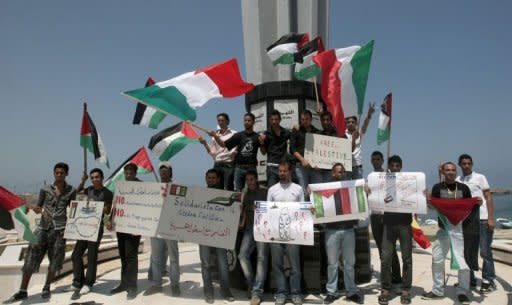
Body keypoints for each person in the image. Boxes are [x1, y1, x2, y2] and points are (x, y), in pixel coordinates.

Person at [5, 163, 76, 303]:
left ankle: (47, 287)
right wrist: (35, 208)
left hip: (60, 230)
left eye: (62, 173)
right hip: (43, 228)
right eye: (57, 172)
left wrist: (68, 229)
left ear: (66, 174)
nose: (59, 175)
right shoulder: (45, 188)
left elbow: (73, 211)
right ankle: (23, 290)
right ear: (54, 173)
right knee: (31, 257)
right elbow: (39, 205)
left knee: (55, 260)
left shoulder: (71, 191)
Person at [422, 162, 480, 305]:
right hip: (444, 230)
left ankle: (462, 291)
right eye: (447, 170)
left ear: (456, 172)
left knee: (462, 262)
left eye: (453, 170)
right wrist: (427, 198)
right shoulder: (437, 187)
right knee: (437, 259)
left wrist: (478, 203)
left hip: (461, 231)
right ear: (443, 172)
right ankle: (437, 290)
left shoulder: (463, 188)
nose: (450, 172)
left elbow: (469, 208)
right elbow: (432, 206)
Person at [64, 168, 113, 300]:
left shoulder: (108, 193)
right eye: (92, 178)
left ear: (102, 178)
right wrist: (82, 181)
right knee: (76, 255)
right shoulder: (88, 190)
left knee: (92, 256)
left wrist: (105, 211)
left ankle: (88, 283)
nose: (94, 179)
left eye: (97, 177)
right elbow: (75, 195)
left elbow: (109, 212)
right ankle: (77, 282)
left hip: (96, 229)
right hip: (83, 227)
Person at [321, 163, 362, 304]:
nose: (342, 174)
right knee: (332, 264)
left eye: (343, 171)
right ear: (333, 173)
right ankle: (331, 292)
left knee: (349, 263)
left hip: (349, 230)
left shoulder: (351, 187)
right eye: (339, 172)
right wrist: (312, 195)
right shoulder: (325, 189)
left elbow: (360, 198)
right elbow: (319, 204)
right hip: (332, 231)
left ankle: (351, 291)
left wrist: (365, 190)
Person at [456, 154, 496, 293]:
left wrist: (491, 218)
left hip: (483, 219)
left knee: (485, 251)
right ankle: (470, 279)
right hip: (467, 221)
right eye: (463, 163)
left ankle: (488, 280)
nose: (466, 166)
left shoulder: (480, 177)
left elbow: (488, 197)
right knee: (468, 252)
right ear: (460, 165)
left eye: (468, 163)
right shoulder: (458, 180)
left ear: (472, 164)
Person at [268, 161, 305, 305]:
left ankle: (295, 293)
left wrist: (310, 210)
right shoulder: (272, 190)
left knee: (295, 266)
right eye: (280, 171)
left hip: (293, 233)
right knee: (277, 265)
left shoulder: (298, 189)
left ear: (290, 172)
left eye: (284, 171)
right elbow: (267, 212)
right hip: (275, 233)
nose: (282, 173)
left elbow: (303, 210)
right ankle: (281, 293)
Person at [378, 156, 413, 305]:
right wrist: (369, 189)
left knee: (407, 259)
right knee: (385, 258)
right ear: (389, 167)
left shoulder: (410, 183)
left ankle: (406, 290)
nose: (395, 168)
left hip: (405, 224)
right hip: (388, 224)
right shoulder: (383, 183)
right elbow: (378, 198)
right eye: (392, 165)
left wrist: (423, 193)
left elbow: (415, 199)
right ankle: (385, 288)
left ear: (401, 167)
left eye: (397, 165)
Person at [143, 163, 181, 297]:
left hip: (171, 228)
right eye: (161, 172)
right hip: (155, 228)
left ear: (170, 173)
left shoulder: (178, 188)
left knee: (174, 258)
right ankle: (156, 284)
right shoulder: (155, 188)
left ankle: (175, 285)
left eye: (165, 172)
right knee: (156, 258)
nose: (163, 174)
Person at [200, 169, 235, 303]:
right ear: (206, 179)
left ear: (218, 179)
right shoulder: (199, 194)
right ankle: (208, 292)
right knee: (206, 264)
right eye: (209, 178)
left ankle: (226, 291)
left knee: (223, 264)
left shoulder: (226, 195)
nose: (211, 180)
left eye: (213, 178)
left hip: (220, 234)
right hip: (202, 233)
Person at [369, 151, 402, 286]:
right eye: (374, 159)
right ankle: (386, 274)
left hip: (388, 215)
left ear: (383, 161)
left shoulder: (389, 175)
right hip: (375, 215)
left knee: (391, 247)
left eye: (378, 159)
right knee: (380, 247)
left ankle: (396, 275)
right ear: (371, 161)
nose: (376, 161)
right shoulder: (370, 176)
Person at [110, 163, 142, 300]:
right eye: (127, 173)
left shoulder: (142, 187)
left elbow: (146, 208)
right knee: (123, 256)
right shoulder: (120, 187)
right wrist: (111, 220)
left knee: (131, 257)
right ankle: (123, 283)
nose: (128, 175)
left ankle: (132, 287)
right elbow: (115, 204)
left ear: (135, 173)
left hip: (134, 229)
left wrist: (139, 227)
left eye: (131, 173)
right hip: (121, 227)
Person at [209, 113, 264, 191]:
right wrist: (215, 136)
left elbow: (263, 152)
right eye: (245, 120)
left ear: (253, 122)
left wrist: (262, 144)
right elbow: (223, 144)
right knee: (237, 193)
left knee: (253, 190)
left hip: (251, 168)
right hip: (239, 169)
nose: (247, 122)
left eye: (249, 120)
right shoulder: (239, 135)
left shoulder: (257, 136)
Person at [237, 170, 268, 303]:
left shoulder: (265, 192)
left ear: (256, 180)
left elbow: (273, 208)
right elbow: (243, 209)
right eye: (247, 180)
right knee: (242, 256)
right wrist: (242, 222)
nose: (249, 182)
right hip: (249, 229)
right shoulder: (244, 193)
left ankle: (257, 292)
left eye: (251, 179)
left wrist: (262, 209)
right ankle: (252, 283)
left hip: (263, 228)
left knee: (262, 258)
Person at [199, 113, 237, 191]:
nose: (220, 122)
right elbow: (213, 153)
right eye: (219, 121)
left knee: (228, 189)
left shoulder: (234, 134)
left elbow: (231, 150)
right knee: (215, 189)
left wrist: (216, 137)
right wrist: (205, 143)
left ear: (228, 121)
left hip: (228, 166)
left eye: (222, 120)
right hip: (217, 165)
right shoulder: (215, 135)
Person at [290, 110, 321, 195]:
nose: (305, 121)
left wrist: (321, 163)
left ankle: (316, 208)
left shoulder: (317, 132)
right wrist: (302, 160)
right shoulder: (296, 130)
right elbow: (292, 149)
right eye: (302, 119)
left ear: (311, 119)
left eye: (307, 119)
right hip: (301, 166)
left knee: (317, 191)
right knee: (304, 192)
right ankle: (306, 208)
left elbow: (321, 149)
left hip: (315, 167)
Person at [259, 110, 291, 187]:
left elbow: (295, 140)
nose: (274, 122)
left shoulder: (286, 132)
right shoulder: (266, 134)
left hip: (283, 167)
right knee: (272, 191)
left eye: (276, 119)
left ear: (280, 120)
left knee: (285, 190)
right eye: (272, 120)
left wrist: (297, 127)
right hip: (271, 166)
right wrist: (262, 143)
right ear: (269, 120)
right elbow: (263, 152)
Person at [345, 103, 375, 179]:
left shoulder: (359, 133)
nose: (351, 123)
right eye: (348, 122)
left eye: (353, 122)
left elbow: (365, 125)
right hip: (346, 167)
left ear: (356, 124)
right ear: (346, 124)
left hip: (358, 167)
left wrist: (368, 116)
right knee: (346, 189)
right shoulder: (343, 133)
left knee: (358, 188)